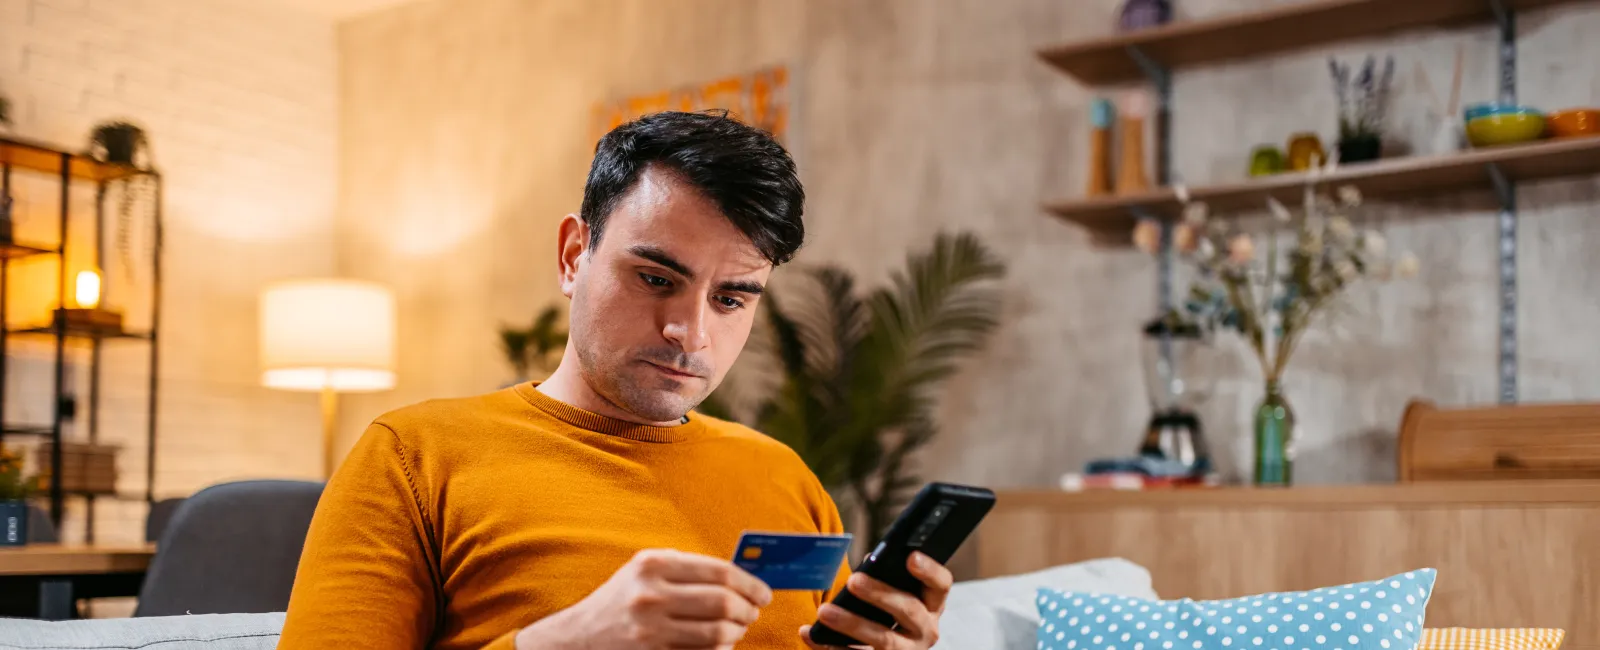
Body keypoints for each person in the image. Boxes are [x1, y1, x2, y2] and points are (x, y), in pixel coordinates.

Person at [277, 111, 952, 650]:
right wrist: (563, 643)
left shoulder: (786, 479)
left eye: (732, 298)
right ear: (575, 255)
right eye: (657, 279)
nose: (690, 332)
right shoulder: (415, 456)